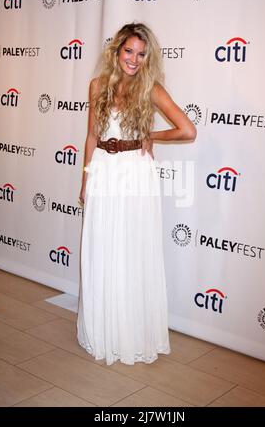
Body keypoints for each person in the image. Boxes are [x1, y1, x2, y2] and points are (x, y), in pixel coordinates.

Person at [77, 22, 197, 365]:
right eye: (128, 51)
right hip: (102, 168)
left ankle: (130, 332)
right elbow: (90, 137)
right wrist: (86, 178)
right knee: (102, 247)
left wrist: (152, 137)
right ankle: (105, 330)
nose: (134, 59)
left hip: (134, 171)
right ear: (116, 51)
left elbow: (188, 130)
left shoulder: (150, 89)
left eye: (141, 54)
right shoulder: (97, 86)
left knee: (131, 248)